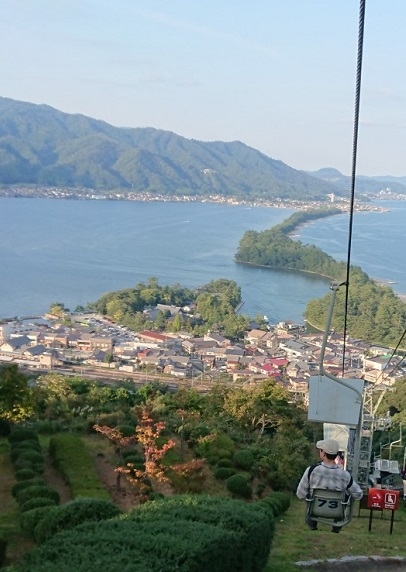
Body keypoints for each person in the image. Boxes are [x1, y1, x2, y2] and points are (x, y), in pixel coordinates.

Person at [296, 438, 363, 533]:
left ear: (323, 453)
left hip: (315, 510)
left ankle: (312, 525)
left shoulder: (311, 471)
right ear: (336, 455)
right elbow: (358, 495)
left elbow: (300, 494)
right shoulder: (345, 475)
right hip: (336, 512)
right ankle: (336, 527)